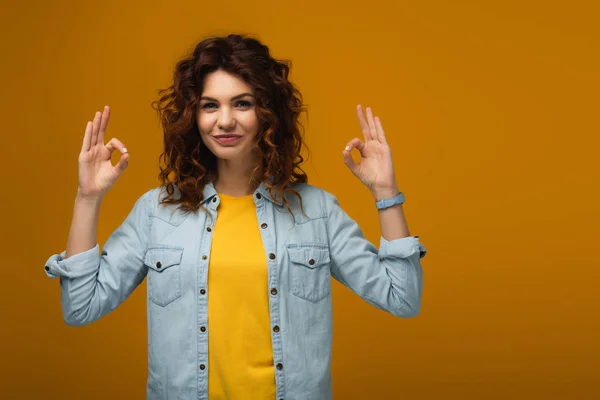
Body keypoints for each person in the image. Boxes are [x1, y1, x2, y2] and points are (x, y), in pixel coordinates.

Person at [44, 33, 427, 400]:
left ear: (267, 113)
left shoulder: (316, 211)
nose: (224, 121)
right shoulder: (157, 211)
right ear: (193, 116)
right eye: (210, 105)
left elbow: (402, 297)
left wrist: (385, 194)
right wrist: (87, 197)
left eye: (241, 103)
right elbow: (81, 307)